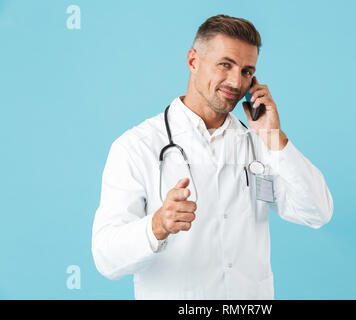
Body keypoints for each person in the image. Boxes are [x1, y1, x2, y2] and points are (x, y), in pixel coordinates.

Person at [92, 14, 334, 300]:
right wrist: (157, 225)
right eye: (225, 65)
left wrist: (274, 136)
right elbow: (106, 259)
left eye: (246, 71)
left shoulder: (258, 144)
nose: (235, 81)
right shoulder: (137, 147)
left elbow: (317, 212)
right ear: (193, 61)